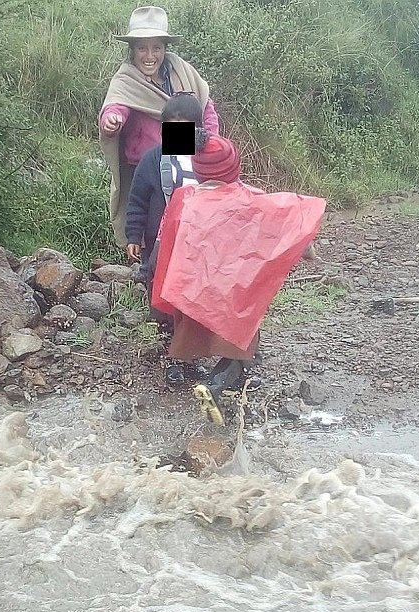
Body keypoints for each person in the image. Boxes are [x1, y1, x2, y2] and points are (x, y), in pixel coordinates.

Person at [152, 132, 326, 420]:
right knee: (243, 349)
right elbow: (285, 221)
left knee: (197, 336)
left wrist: (156, 279)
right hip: (233, 296)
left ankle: (216, 387)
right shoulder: (248, 199)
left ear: (198, 168)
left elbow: (165, 242)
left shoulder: (185, 199)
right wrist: (307, 249)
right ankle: (215, 387)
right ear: (234, 167)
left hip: (195, 293)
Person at [98, 6, 220, 246]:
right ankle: (147, 271)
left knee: (188, 225)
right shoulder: (127, 79)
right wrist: (111, 121)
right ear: (132, 50)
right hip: (147, 165)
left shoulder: (181, 71)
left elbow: (205, 106)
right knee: (150, 224)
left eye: (156, 48)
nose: (149, 55)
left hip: (186, 160)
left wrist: (210, 140)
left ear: (165, 49)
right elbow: (116, 105)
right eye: (142, 48)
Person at [124, 93, 203, 384]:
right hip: (161, 247)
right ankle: (170, 357)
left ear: (198, 129)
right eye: (172, 126)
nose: (179, 133)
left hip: (196, 247)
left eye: (186, 127)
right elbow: (137, 201)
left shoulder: (205, 160)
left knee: (191, 304)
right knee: (163, 300)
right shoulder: (152, 160)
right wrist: (133, 235)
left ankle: (190, 357)